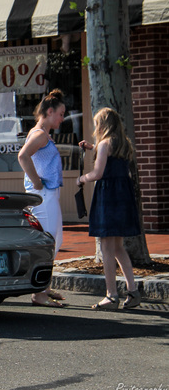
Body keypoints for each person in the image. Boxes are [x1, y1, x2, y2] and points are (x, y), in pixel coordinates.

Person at [77, 108, 142, 310]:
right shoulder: (123, 144)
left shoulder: (104, 144)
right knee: (118, 247)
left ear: (103, 125)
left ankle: (111, 295)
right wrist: (91, 147)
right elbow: (108, 154)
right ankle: (133, 291)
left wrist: (81, 178)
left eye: (97, 124)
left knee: (106, 247)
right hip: (123, 198)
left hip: (108, 197)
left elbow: (98, 173)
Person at [18, 89, 66, 307]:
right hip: (43, 194)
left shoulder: (39, 133)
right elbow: (23, 155)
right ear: (49, 111)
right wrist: (36, 181)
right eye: (60, 114)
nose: (62, 119)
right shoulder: (39, 134)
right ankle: (39, 293)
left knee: (53, 241)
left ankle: (44, 287)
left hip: (46, 194)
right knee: (49, 243)